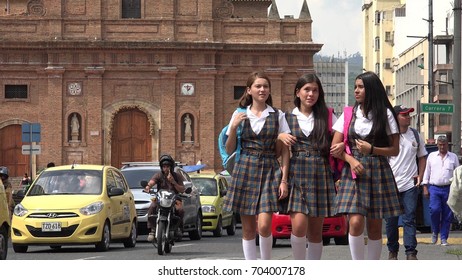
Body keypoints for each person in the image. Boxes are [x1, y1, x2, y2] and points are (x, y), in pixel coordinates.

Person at [331, 71, 402, 260]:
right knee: (354, 222)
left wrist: (372, 149)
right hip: (353, 171)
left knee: (374, 225)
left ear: (371, 89)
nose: (356, 90)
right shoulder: (348, 114)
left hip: (378, 170)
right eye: (355, 87)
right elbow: (334, 149)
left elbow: (394, 150)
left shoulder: (385, 114)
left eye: (360, 87)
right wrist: (351, 160)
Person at [223, 71, 290, 260]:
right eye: (258, 86)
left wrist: (284, 180)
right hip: (245, 169)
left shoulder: (278, 115)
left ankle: (266, 265)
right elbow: (229, 150)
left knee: (264, 225)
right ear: (249, 90)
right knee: (248, 229)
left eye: (265, 86)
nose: (262, 89)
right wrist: (234, 127)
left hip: (270, 169)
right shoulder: (239, 114)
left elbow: (284, 152)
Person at [278, 73, 342, 259]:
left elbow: (342, 137)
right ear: (298, 92)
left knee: (315, 230)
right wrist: (279, 137)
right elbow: (281, 153)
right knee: (298, 226)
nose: (311, 94)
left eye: (315, 90)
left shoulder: (328, 116)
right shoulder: (286, 117)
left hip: (320, 172)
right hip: (296, 173)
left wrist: (340, 146)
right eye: (307, 89)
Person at [385, 105, 427, 260]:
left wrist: (420, 175)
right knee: (391, 221)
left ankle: (410, 252)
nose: (408, 117)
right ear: (396, 118)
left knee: (409, 218)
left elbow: (422, 157)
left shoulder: (415, 135)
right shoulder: (388, 136)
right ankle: (392, 251)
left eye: (409, 114)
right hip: (391, 186)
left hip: (410, 185)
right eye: (404, 115)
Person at [422, 135, 459, 246]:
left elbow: (457, 173)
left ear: (447, 145)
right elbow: (426, 172)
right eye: (440, 144)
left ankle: (443, 238)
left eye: (444, 144)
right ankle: (435, 231)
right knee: (435, 210)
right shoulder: (432, 156)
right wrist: (425, 186)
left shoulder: (453, 157)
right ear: (437, 145)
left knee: (447, 215)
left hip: (448, 188)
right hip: (434, 188)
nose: (442, 147)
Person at [144, 154, 186, 242]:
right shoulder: (159, 175)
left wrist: (173, 182)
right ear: (161, 167)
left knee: (180, 210)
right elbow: (152, 181)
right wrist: (148, 187)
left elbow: (182, 189)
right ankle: (152, 230)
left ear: (171, 167)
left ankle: (178, 228)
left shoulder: (177, 176)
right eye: (164, 166)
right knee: (151, 207)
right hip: (160, 199)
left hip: (174, 199)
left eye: (168, 166)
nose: (166, 168)